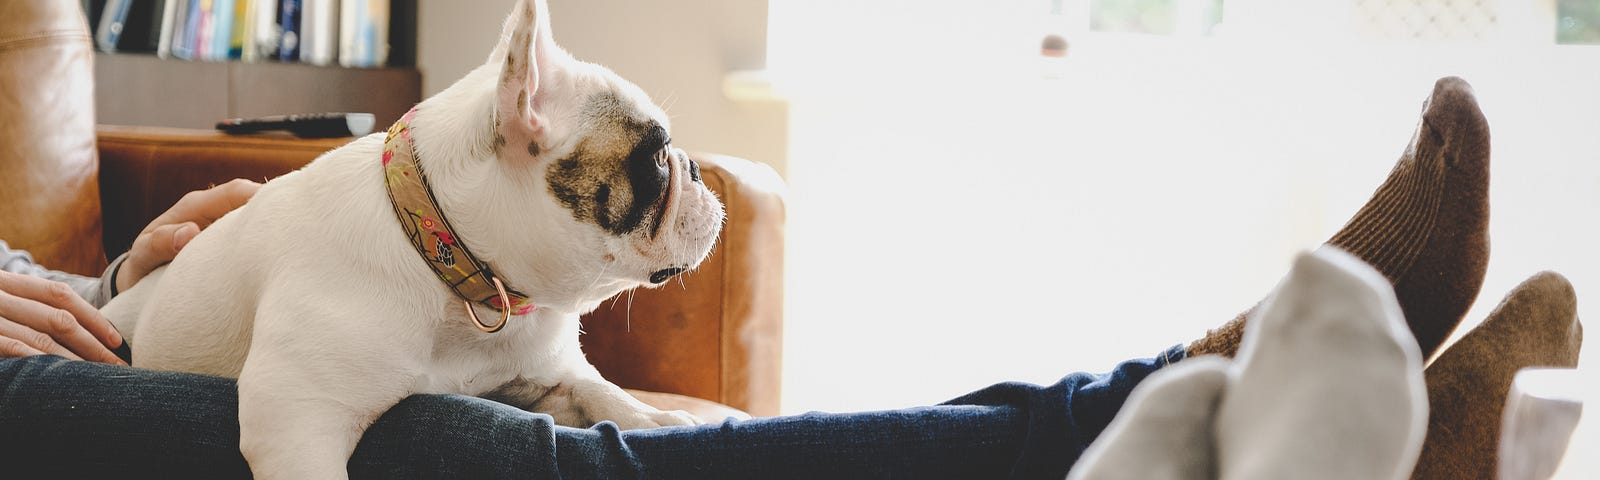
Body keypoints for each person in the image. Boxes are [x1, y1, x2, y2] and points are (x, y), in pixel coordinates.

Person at [0, 78, 1578, 479]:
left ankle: (1212, 399)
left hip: (86, 327)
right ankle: (1200, 402)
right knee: (492, 459)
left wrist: (131, 267)